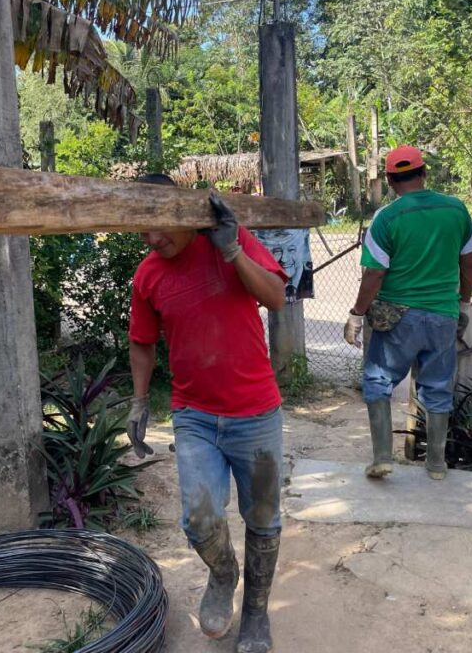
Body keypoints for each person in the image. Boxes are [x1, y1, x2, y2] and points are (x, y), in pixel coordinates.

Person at [126, 174, 287, 653]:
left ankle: (256, 614)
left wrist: (233, 250)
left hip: (255, 411)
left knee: (263, 519)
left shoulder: (230, 241)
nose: (153, 240)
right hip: (194, 415)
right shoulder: (147, 275)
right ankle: (224, 574)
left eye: (161, 228)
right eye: (143, 230)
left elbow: (276, 297)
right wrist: (138, 401)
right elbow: (142, 341)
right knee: (198, 519)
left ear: (183, 214)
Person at [343, 146, 472, 481]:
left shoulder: (387, 218)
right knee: (437, 387)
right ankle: (436, 463)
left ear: (391, 181)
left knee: (378, 381)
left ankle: (382, 457)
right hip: (442, 315)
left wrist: (357, 314)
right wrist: (463, 303)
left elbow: (374, 274)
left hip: (397, 319)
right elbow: (469, 262)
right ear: (424, 173)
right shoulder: (455, 209)